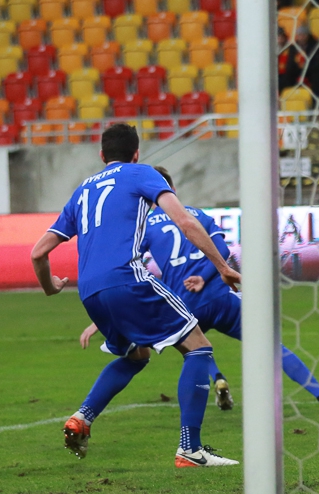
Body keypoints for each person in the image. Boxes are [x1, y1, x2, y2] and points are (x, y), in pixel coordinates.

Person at [29, 124, 241, 467]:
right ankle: (190, 449)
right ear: (137, 154)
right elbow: (185, 221)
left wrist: (50, 286)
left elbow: (38, 253)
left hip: (89, 291)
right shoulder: (141, 173)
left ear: (102, 155)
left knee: (137, 355)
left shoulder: (82, 191)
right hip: (127, 278)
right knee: (198, 347)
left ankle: (82, 418)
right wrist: (222, 267)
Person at [78, 166, 319, 414]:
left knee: (194, 350)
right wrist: (203, 276)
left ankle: (218, 378)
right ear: (171, 190)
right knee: (272, 346)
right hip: (220, 296)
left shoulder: (144, 227)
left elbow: (126, 269)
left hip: (184, 303)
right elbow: (223, 250)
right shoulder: (198, 215)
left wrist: (100, 320)